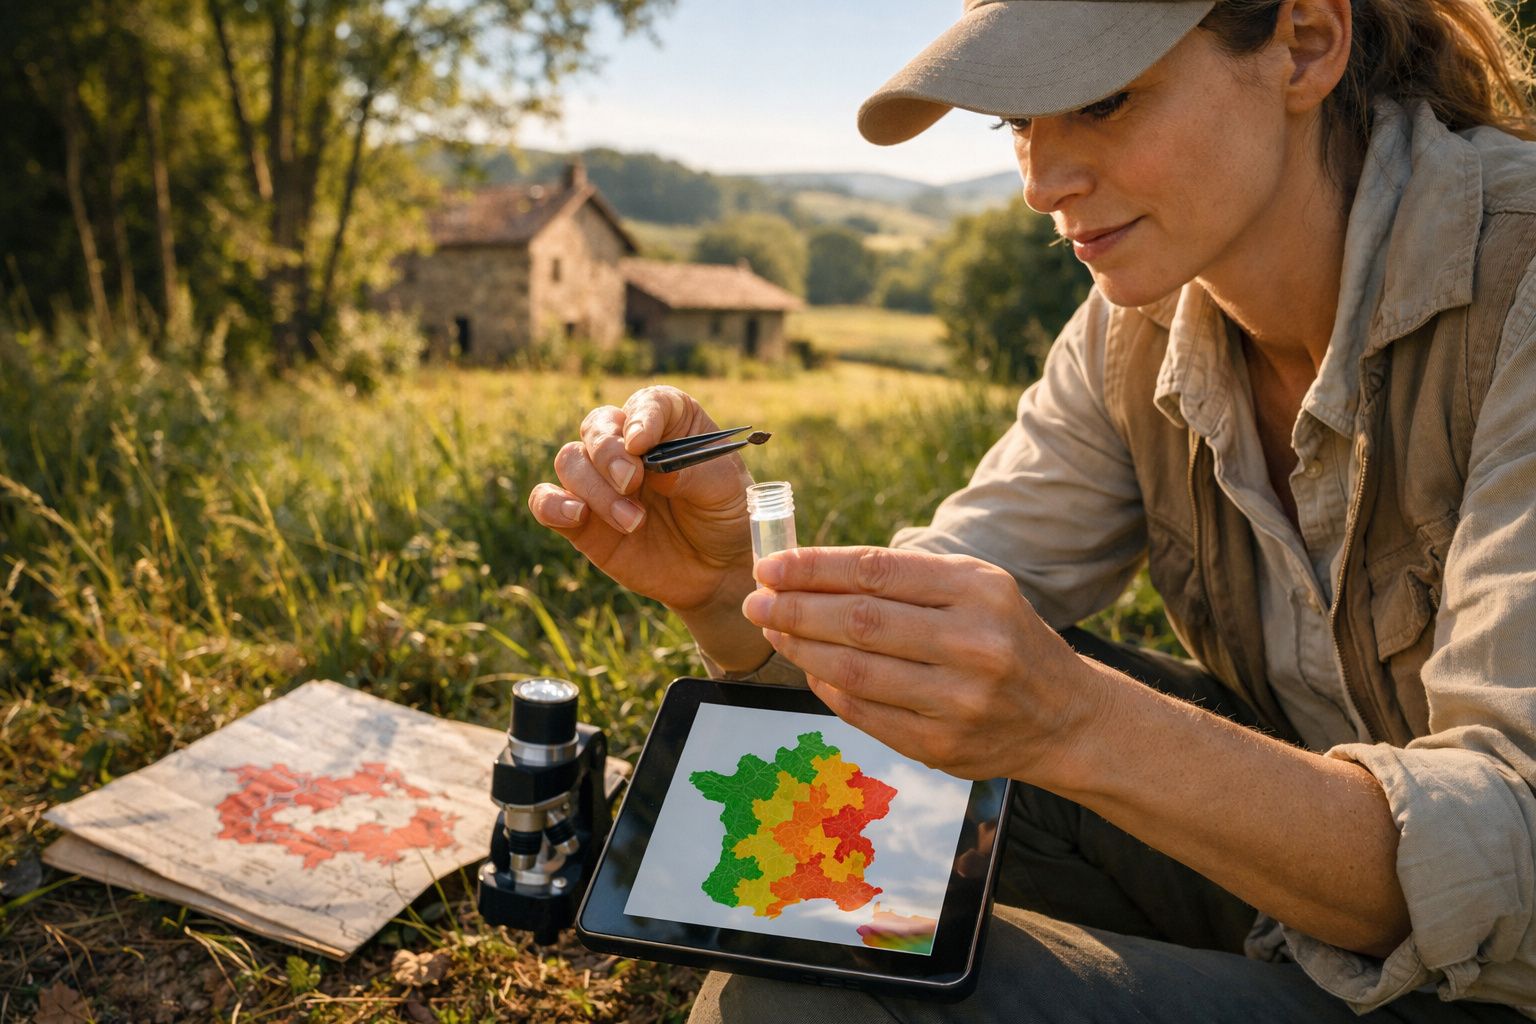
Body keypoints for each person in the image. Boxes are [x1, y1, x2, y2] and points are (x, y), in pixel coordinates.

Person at [531, 0, 1536, 1017]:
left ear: (1306, 43)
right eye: (1016, 120)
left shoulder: (1521, 282)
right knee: (902, 790)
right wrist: (730, 591)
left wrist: (1073, 718)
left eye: (1103, 100)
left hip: (1501, 972)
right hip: (1299, 895)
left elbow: (1515, 856)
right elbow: (938, 617)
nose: (1040, 183)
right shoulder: (1134, 328)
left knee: (804, 1007)